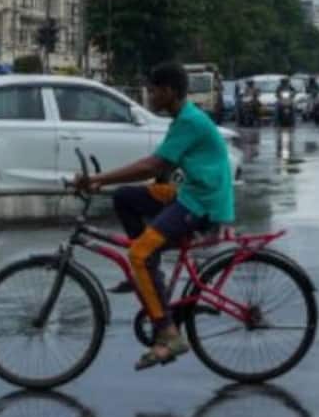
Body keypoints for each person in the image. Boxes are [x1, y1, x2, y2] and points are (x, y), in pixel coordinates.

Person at [72, 61, 235, 371]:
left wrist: (98, 179)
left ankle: (169, 334)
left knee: (138, 254)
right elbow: (165, 170)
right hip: (190, 193)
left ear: (169, 91)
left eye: (153, 90)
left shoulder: (189, 121)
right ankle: (148, 274)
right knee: (126, 198)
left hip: (202, 203)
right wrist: (135, 189)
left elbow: (153, 166)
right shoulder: (182, 119)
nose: (148, 95)